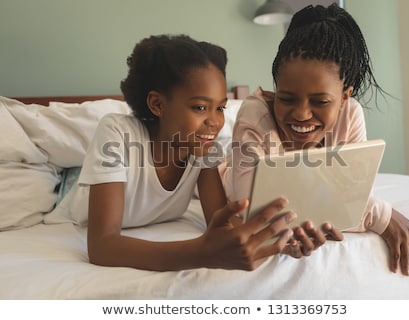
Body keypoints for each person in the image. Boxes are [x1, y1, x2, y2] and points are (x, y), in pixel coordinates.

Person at [82, 34, 339, 272]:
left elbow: (221, 224)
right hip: (80, 207)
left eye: (220, 108)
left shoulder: (204, 150)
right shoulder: (116, 132)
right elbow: (102, 246)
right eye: (200, 107)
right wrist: (199, 254)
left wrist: (282, 239)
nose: (215, 122)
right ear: (158, 104)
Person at [221, 4, 409, 275]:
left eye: (320, 101)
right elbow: (256, 212)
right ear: (275, 90)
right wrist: (381, 216)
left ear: (344, 97)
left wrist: (350, 207)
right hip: (225, 176)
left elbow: (352, 196)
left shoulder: (351, 113)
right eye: (286, 98)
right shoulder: (255, 112)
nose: (302, 114)